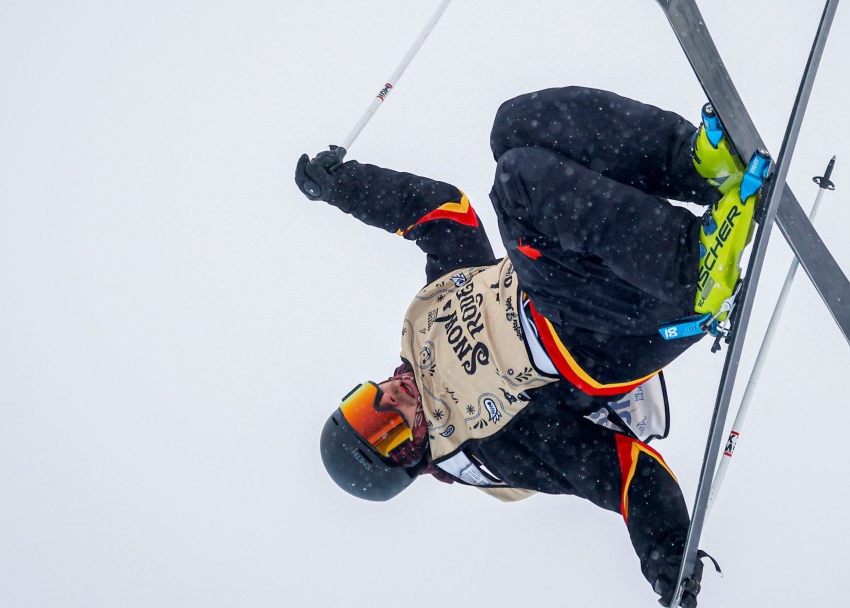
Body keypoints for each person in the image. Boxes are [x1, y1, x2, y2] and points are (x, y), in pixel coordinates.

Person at [295, 86, 767, 608]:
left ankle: (697, 168)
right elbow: (624, 474)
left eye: (367, 403)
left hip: (590, 270)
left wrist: (343, 187)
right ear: (414, 457)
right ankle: (694, 265)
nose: (391, 397)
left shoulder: (423, 327)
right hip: (605, 333)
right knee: (518, 183)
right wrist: (668, 560)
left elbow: (440, 215)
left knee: (514, 127)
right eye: (387, 429)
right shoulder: (488, 444)